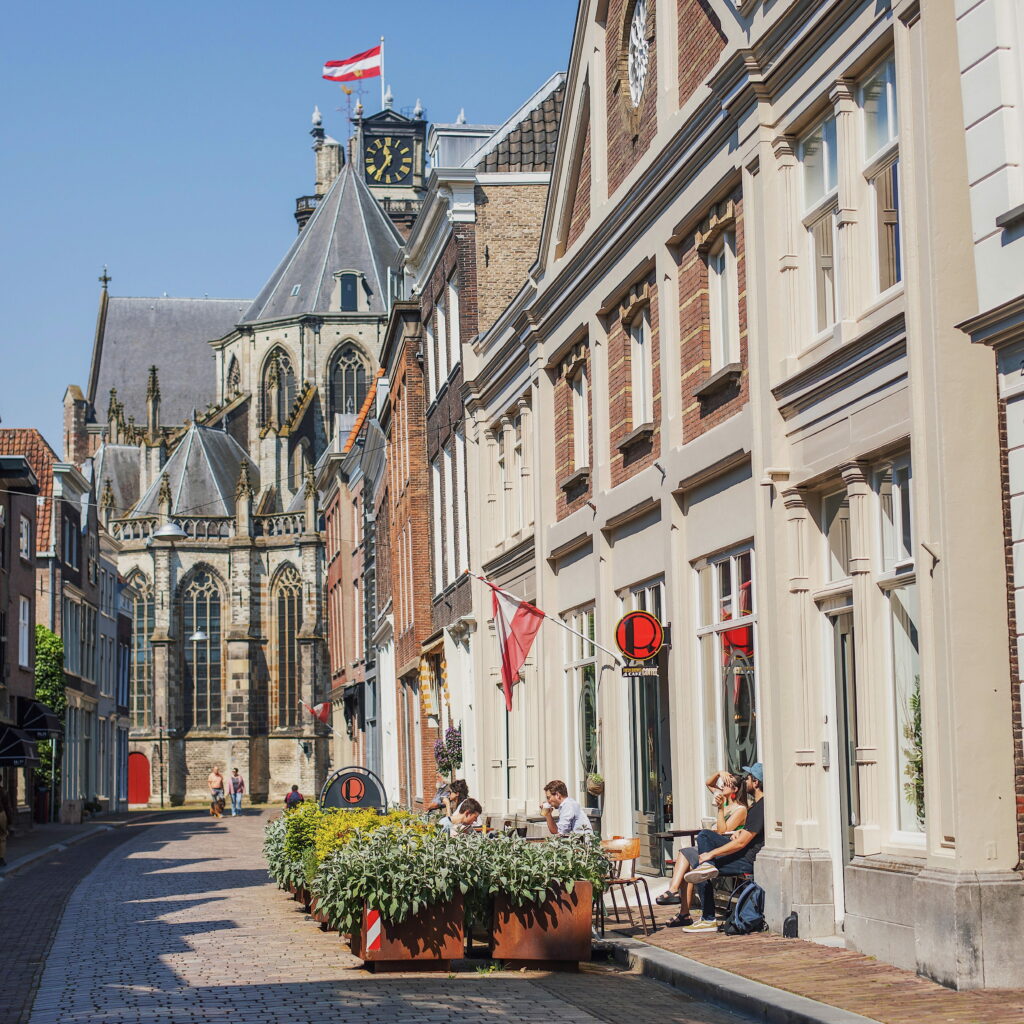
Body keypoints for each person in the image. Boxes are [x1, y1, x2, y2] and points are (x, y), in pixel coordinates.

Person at [669, 763, 766, 932]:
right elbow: (747, 835)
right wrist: (741, 831)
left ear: (756, 783)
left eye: (749, 778)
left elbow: (741, 843)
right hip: (741, 853)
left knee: (700, 859)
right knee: (704, 842)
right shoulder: (755, 807)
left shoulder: (756, 807)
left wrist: (711, 854)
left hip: (747, 859)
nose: (746, 781)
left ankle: (707, 918)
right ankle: (702, 913)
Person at [656, 770, 748, 912]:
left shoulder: (740, 809)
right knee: (684, 853)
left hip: (725, 849)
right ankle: (674, 890)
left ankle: (684, 912)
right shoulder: (723, 800)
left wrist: (720, 810)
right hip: (713, 845)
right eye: (722, 785)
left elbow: (723, 831)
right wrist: (719, 774)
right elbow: (708, 783)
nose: (722, 787)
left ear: (735, 789)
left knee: (692, 860)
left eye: (726, 785)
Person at [0, 781, 16, 867]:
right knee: (2, 837)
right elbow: (7, 807)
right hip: (1, 814)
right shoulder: (3, 791)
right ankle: (1, 859)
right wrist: (10, 821)